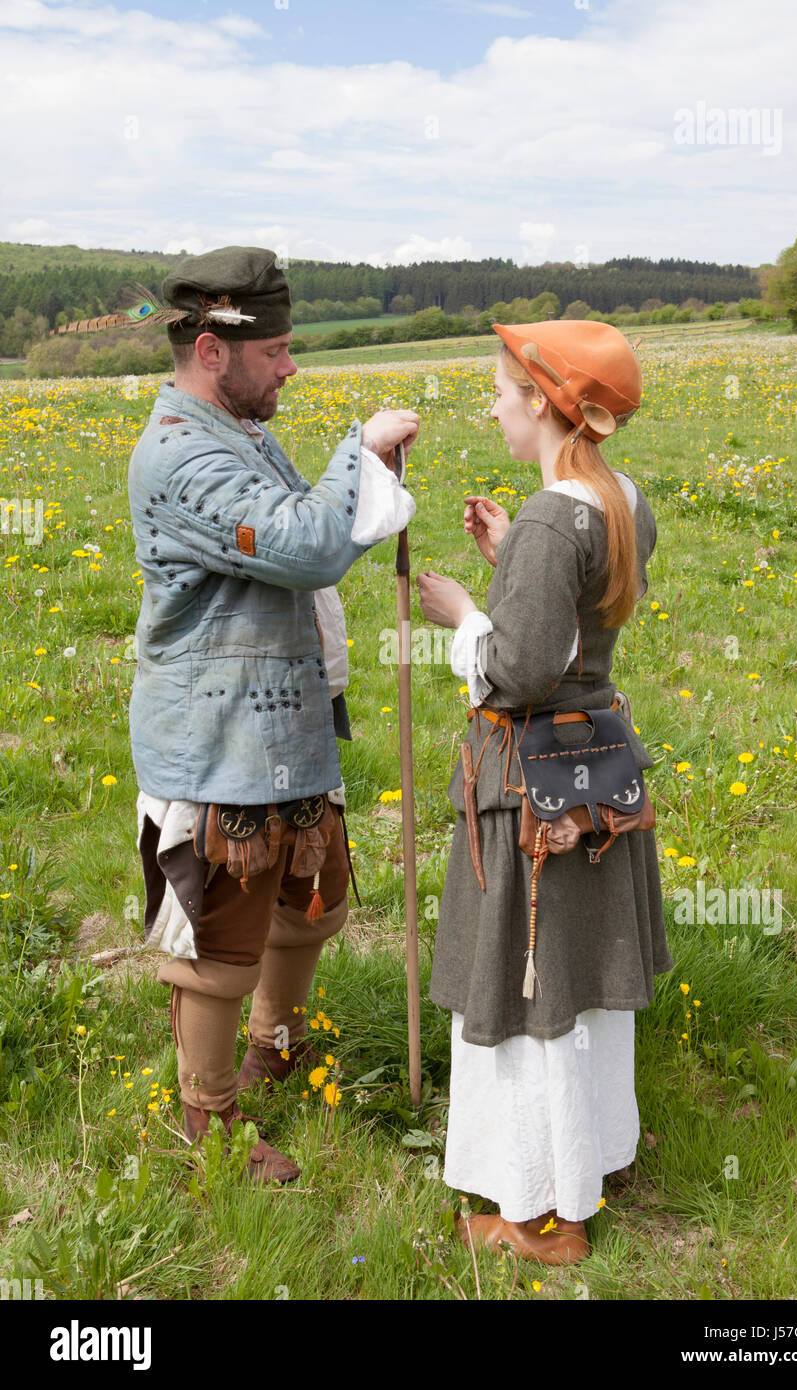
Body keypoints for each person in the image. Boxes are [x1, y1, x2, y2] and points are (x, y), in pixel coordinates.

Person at [127, 247, 419, 1181]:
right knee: (219, 947)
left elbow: (297, 525)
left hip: (283, 727)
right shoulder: (178, 452)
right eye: (279, 351)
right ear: (213, 349)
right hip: (220, 743)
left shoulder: (238, 429)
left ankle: (275, 1045)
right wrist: (360, 453)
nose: (291, 367)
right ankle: (205, 1123)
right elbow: (301, 545)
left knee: (312, 905)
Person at [416, 319, 674, 1264]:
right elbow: (573, 631)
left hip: (531, 784)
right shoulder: (621, 501)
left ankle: (537, 1215)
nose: (491, 403)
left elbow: (520, 671)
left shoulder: (547, 517)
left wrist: (463, 615)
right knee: (581, 980)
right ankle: (588, 1166)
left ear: (544, 403)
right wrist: (510, 570)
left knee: (534, 989)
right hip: (598, 760)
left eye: (500, 389)